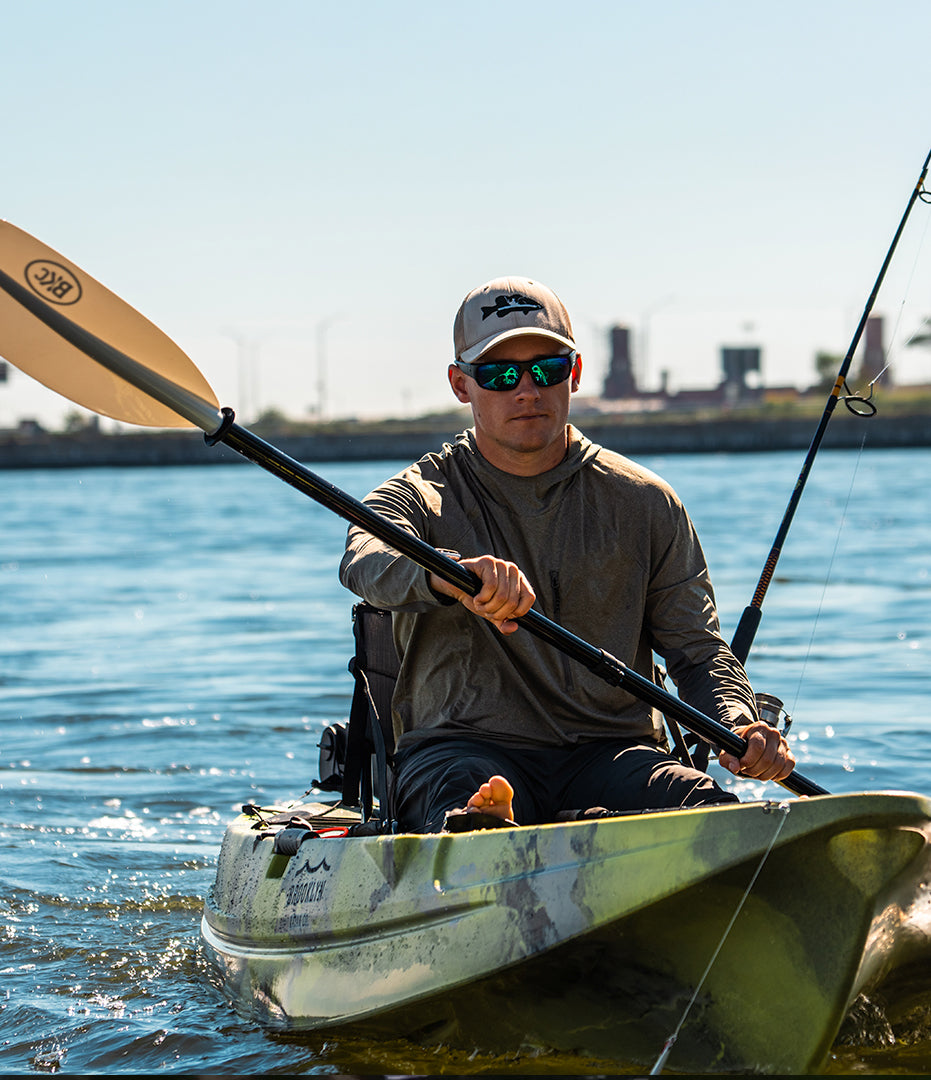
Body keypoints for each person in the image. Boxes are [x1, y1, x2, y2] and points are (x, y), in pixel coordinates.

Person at [339, 276, 795, 832]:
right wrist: (452, 576)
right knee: (464, 794)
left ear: (574, 374)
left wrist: (739, 723)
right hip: (460, 752)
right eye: (501, 375)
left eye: (547, 370)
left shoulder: (647, 502)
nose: (527, 390)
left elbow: (697, 652)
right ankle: (485, 831)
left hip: (614, 754)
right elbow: (364, 559)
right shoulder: (419, 494)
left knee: (707, 811)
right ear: (462, 385)